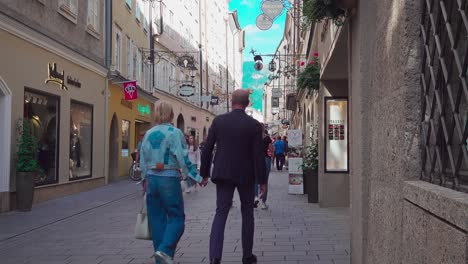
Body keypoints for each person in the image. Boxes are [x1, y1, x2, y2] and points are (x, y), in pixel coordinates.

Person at [201, 89, 266, 264]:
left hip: (223, 173)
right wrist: (262, 181)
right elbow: (258, 155)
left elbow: (207, 149)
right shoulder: (253, 125)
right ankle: (247, 256)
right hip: (246, 175)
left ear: (231, 102)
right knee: (247, 213)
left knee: (221, 212)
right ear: (247, 104)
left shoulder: (219, 121)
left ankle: (215, 257)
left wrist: (204, 174)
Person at [140, 102, 208, 264]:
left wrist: (144, 180)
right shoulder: (175, 133)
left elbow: (142, 160)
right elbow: (184, 159)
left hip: (152, 179)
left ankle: (161, 260)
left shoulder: (148, 133)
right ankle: (165, 250)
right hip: (169, 178)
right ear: (171, 115)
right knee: (177, 218)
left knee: (156, 220)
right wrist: (198, 178)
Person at [254, 125, 273, 210]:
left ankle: (255, 197)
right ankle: (263, 203)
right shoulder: (267, 138)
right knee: (265, 181)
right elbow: (271, 149)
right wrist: (271, 155)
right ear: (264, 129)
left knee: (255, 181)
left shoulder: (253, 137)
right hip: (265, 159)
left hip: (255, 160)